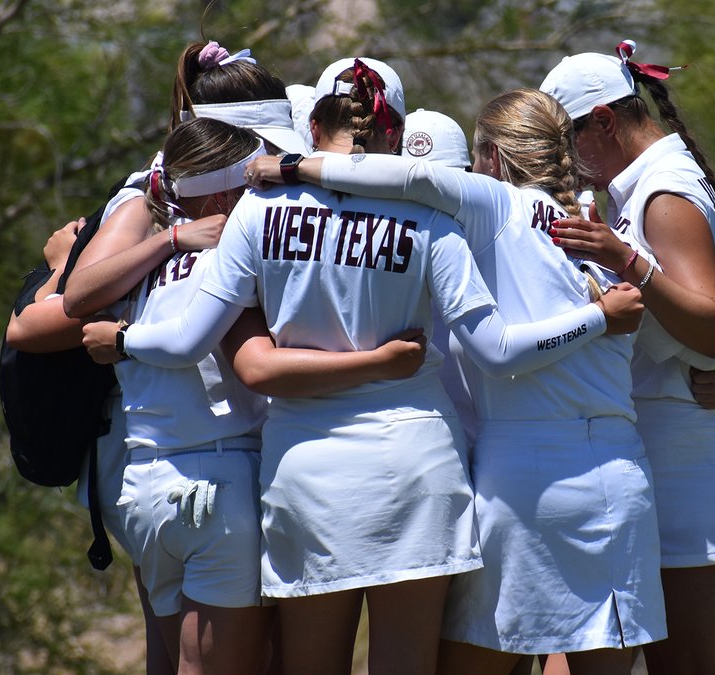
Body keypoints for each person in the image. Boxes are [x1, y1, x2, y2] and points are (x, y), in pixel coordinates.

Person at [89, 58, 643, 675]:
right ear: (398, 139)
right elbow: (496, 349)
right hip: (418, 468)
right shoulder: (436, 222)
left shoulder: (257, 210)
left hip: (306, 473)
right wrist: (599, 316)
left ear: (313, 123)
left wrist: (123, 340)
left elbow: (188, 340)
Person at [246, 87, 664, 675]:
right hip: (621, 480)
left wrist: (290, 164)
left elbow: (409, 183)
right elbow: (707, 329)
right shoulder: (603, 231)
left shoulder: (495, 203)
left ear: (490, 158)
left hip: (524, 481)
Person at [7, 41, 306, 674]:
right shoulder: (153, 199)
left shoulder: (243, 204)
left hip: (178, 462)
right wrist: (167, 243)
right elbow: (45, 319)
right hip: (177, 454)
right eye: (266, 145)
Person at [540, 40, 715, 674]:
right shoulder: (645, 186)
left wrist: (625, 260)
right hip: (644, 450)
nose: (567, 165)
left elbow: (710, 329)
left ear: (604, 122)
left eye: (567, 143)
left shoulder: (663, 191)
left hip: (677, 458)